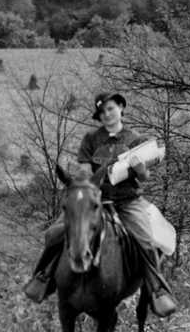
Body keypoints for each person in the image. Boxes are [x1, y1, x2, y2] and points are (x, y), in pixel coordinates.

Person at [23, 92, 178, 317]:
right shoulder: (91, 139)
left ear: (121, 108)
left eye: (110, 109)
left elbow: (145, 177)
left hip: (128, 201)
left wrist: (139, 168)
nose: (107, 115)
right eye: (102, 112)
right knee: (54, 233)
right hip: (96, 199)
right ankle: (43, 277)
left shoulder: (135, 139)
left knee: (145, 240)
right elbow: (85, 169)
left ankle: (157, 288)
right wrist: (85, 183)